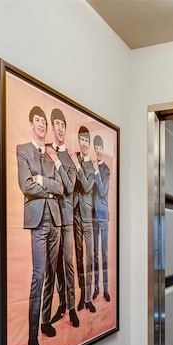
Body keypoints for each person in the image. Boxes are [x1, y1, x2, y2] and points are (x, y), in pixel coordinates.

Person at [17, 106, 63, 345]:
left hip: (55, 220)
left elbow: (61, 188)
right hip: (37, 221)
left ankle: (46, 320)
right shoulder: (23, 150)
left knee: (51, 274)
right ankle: (32, 335)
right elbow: (25, 185)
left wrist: (43, 182)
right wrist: (49, 189)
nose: (42, 124)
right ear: (31, 124)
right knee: (38, 274)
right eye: (38, 120)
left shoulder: (51, 155)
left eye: (44, 121)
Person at [46, 108, 79, 328]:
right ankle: (62, 304)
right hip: (50, 217)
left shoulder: (70, 157)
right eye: (55, 123)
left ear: (65, 129)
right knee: (54, 266)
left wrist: (58, 162)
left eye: (62, 124)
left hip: (67, 218)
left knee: (68, 264)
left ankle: (72, 307)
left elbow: (69, 186)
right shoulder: (46, 152)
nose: (59, 127)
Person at [72, 126, 97, 313]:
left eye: (87, 140)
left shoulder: (91, 166)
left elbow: (87, 187)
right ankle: (82, 296)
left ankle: (88, 298)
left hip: (88, 216)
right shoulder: (74, 160)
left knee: (89, 259)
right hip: (75, 214)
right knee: (79, 258)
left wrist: (79, 166)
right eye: (82, 140)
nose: (84, 144)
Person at [91, 135, 111, 302]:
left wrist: (96, 172)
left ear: (103, 150)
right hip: (92, 216)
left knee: (104, 254)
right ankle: (96, 287)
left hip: (103, 216)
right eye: (95, 148)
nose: (98, 151)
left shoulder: (106, 170)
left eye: (100, 148)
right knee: (95, 254)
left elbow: (103, 191)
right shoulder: (91, 168)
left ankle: (106, 288)